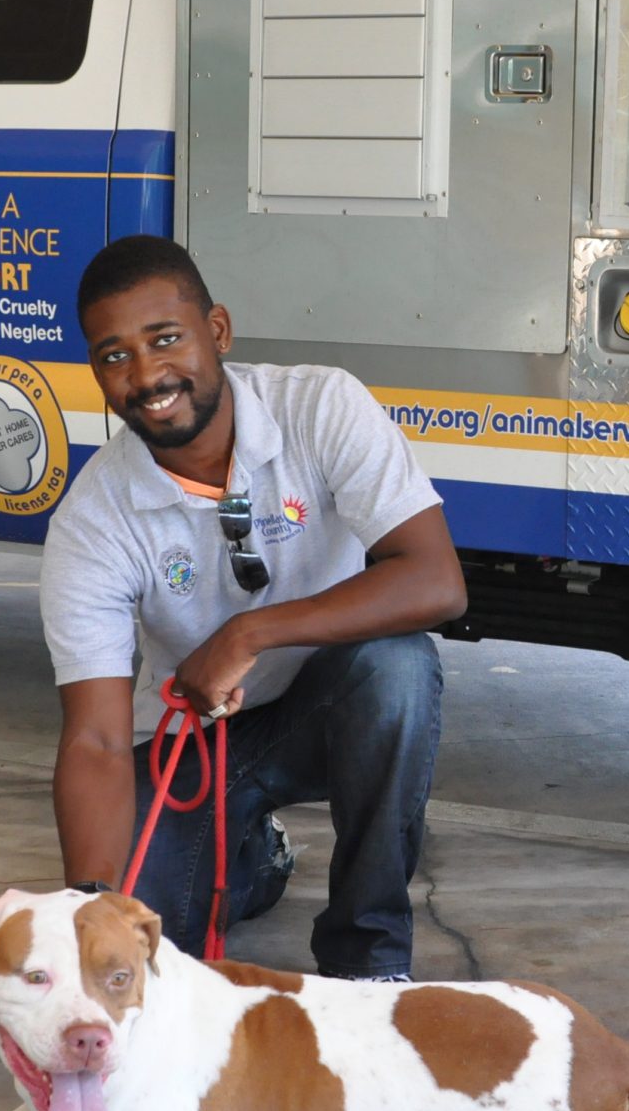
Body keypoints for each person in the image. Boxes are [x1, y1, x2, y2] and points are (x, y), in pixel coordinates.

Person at [40, 234, 468, 981]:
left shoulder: (319, 406)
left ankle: (368, 963)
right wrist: (94, 906)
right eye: (114, 356)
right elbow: (97, 745)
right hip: (194, 746)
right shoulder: (92, 519)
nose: (145, 375)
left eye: (165, 339)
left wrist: (251, 632)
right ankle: (254, 857)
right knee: (144, 943)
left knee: (398, 669)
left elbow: (436, 581)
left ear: (219, 331)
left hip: (328, 709)